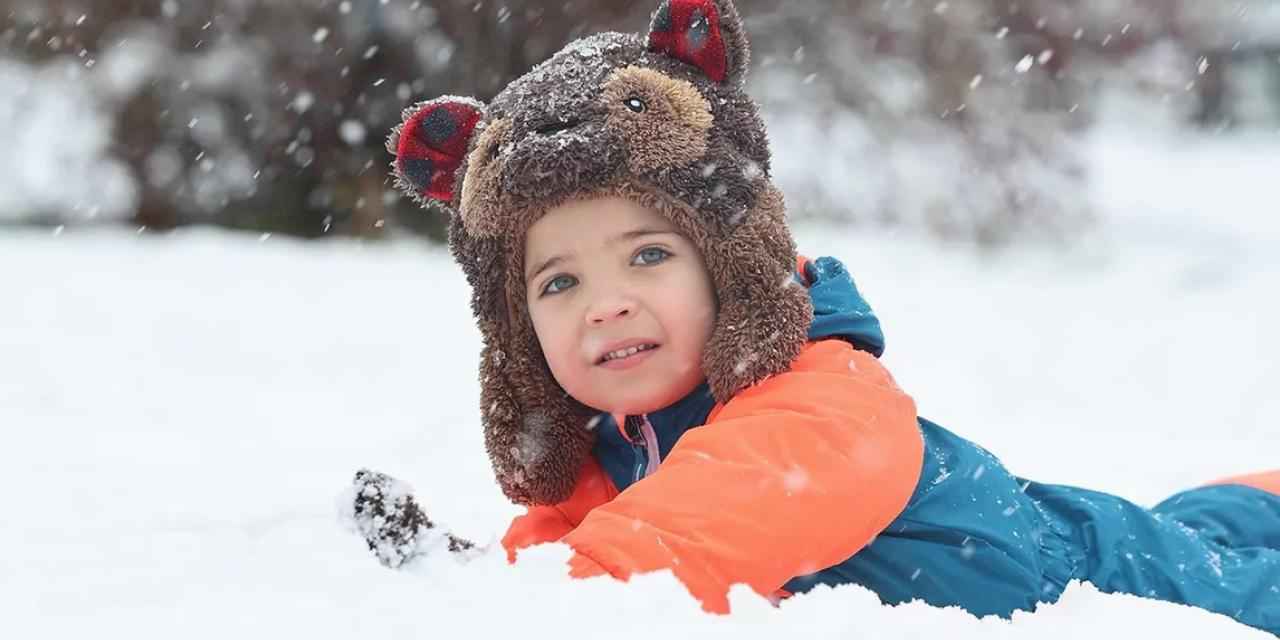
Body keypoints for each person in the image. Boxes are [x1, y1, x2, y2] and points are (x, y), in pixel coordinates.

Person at [379, 0, 1280, 632]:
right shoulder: (606, 456)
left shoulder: (819, 397)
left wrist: (554, 594)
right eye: (557, 284)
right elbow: (555, 559)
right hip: (1077, 544)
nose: (606, 302)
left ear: (733, 267)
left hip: (1085, 579)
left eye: (649, 255)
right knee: (1208, 525)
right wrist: (476, 583)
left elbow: (714, 513)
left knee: (1234, 583)